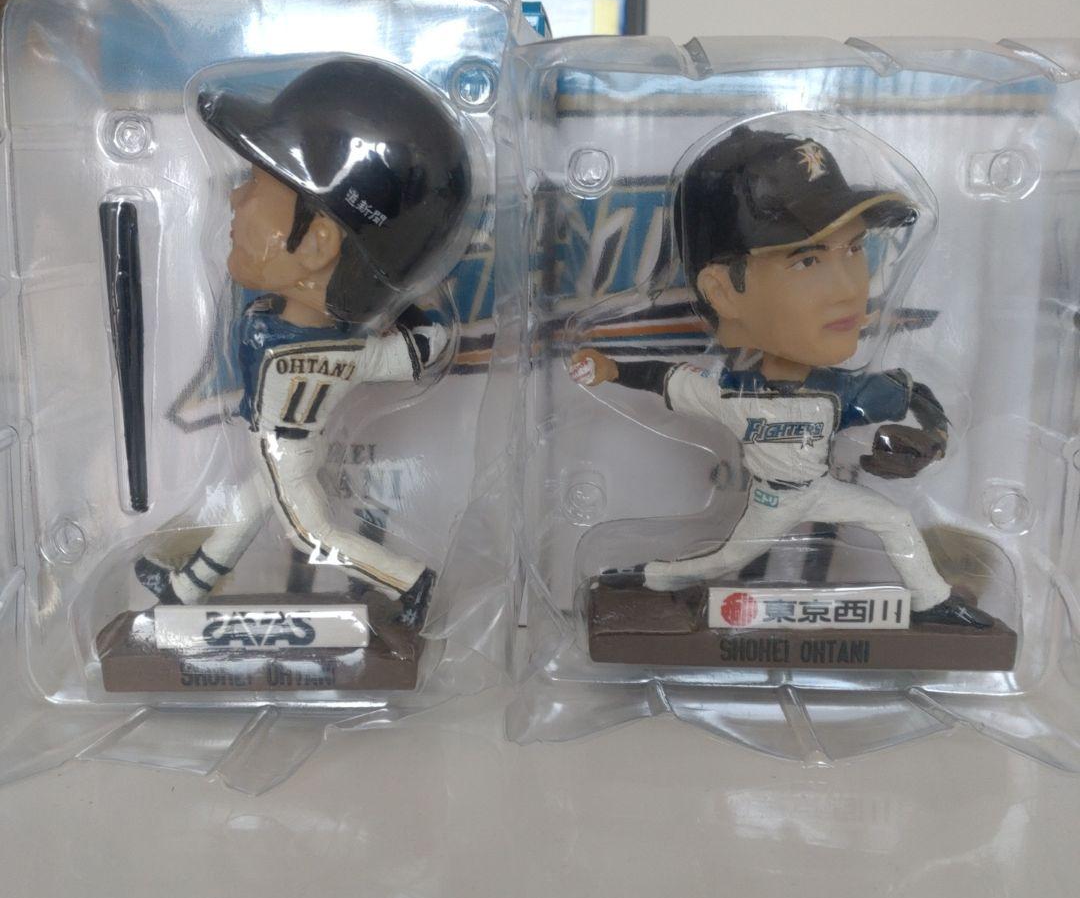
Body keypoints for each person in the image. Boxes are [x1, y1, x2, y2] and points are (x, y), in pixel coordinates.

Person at [570, 123, 989, 628]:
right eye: (807, 260)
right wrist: (612, 368)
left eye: (855, 249)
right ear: (722, 292)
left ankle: (932, 602)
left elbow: (912, 392)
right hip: (772, 499)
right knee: (722, 562)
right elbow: (665, 379)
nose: (850, 289)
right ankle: (645, 578)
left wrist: (934, 439)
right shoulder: (732, 395)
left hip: (820, 490)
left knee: (895, 520)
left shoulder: (837, 391)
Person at [135, 58, 471, 627]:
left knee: (308, 532)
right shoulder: (312, 337)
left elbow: (399, 355)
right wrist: (403, 310)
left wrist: (403, 310)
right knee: (243, 509)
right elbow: (408, 353)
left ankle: (410, 581)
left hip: (286, 453)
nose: (235, 201)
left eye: (258, 185)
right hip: (278, 450)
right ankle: (186, 587)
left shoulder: (318, 352)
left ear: (317, 243)